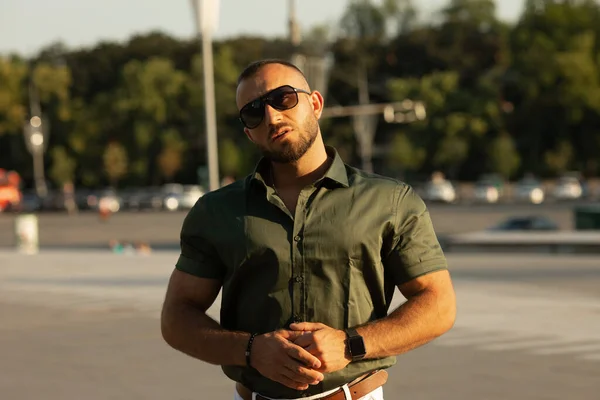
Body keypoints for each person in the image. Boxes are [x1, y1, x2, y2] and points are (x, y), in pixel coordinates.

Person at [161, 59, 457, 400]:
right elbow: (177, 317)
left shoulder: (390, 201)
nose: (272, 116)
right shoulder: (217, 212)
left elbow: (439, 304)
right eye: (253, 112)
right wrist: (251, 350)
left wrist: (351, 345)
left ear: (315, 103)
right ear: (248, 131)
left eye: (283, 98)